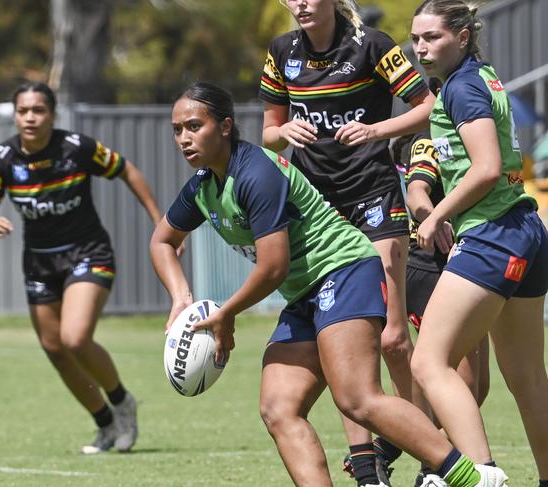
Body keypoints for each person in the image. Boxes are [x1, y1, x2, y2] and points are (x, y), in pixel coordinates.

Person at [150, 80, 499, 487]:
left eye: (194, 126)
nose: (184, 138)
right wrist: (181, 297)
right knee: (279, 408)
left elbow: (273, 267)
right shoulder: (203, 187)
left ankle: (471, 479)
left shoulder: (255, 172)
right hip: (304, 292)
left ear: (225, 126)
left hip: (344, 269)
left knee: (357, 398)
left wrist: (226, 314)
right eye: (177, 130)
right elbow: (162, 241)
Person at [258, 1, 436, 483]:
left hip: (374, 198)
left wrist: (376, 129)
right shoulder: (281, 51)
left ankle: (432, 454)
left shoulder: (373, 46)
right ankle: (367, 468)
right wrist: (282, 132)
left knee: (394, 339)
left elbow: (428, 107)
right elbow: (268, 132)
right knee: (338, 339)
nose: (301, 3)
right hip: (317, 211)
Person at [0, 81, 162, 454]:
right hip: (40, 263)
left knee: (75, 338)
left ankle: (122, 401)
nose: (30, 117)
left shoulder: (77, 148)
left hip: (88, 253)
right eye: (23, 110)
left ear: (53, 115)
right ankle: (105, 425)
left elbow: (129, 171)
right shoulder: (3, 157)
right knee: (55, 348)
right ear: (15, 115)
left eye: (38, 110)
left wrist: (160, 223)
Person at [409, 1, 548, 486]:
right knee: (529, 380)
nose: (421, 48)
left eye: (433, 38)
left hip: (491, 234)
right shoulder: (478, 75)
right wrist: (380, 131)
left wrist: (436, 216)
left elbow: (486, 167)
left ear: (463, 37)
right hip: (524, 230)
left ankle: (482, 475)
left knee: (428, 363)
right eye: (417, 39)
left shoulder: (463, 87)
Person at [395, 126, 490, 486]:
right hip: (430, 266)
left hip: (462, 264)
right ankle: (432, 468)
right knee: (455, 379)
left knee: (478, 388)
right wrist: (431, 218)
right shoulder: (429, 138)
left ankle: (410, 454)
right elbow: (416, 188)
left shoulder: (472, 136)